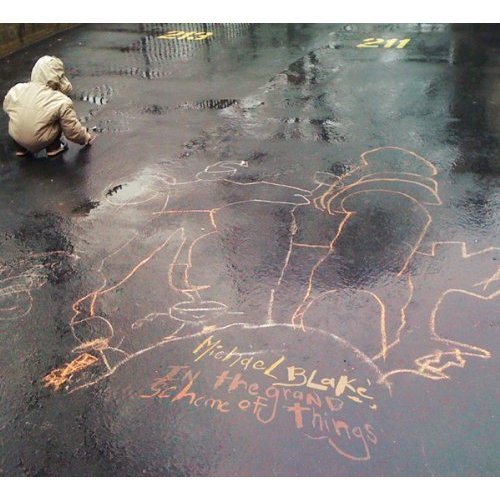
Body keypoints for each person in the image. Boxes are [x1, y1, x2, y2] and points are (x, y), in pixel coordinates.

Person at [3, 55, 96, 157]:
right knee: (58, 119)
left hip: (16, 135)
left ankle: (20, 149)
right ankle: (54, 148)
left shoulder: (17, 89)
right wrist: (85, 137)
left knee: (18, 117)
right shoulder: (60, 101)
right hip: (40, 139)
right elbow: (72, 130)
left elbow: (7, 108)